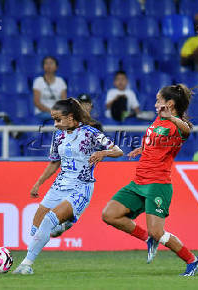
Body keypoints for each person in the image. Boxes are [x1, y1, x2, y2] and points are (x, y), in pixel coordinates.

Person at [102, 84, 198, 276]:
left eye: (159, 100)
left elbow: (188, 131)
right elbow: (156, 139)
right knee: (109, 214)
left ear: (170, 103)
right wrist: (143, 149)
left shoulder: (177, 123)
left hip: (158, 184)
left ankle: (192, 260)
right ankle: (148, 239)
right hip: (139, 182)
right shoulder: (158, 120)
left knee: (158, 232)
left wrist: (171, 117)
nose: (155, 103)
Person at [13, 98, 123, 275]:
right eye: (53, 120)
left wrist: (103, 152)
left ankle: (26, 265)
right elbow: (54, 163)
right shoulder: (59, 136)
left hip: (81, 187)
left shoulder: (91, 133)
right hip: (59, 186)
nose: (55, 124)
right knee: (35, 228)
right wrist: (38, 183)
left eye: (58, 119)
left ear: (71, 118)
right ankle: (62, 225)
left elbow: (118, 151)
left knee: (48, 220)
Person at [33, 56, 67, 121]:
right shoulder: (38, 81)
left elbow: (64, 102)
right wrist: (51, 111)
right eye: (46, 63)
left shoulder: (61, 81)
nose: (49, 65)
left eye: (51, 63)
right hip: (42, 113)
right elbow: (37, 102)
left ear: (56, 67)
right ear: (43, 67)